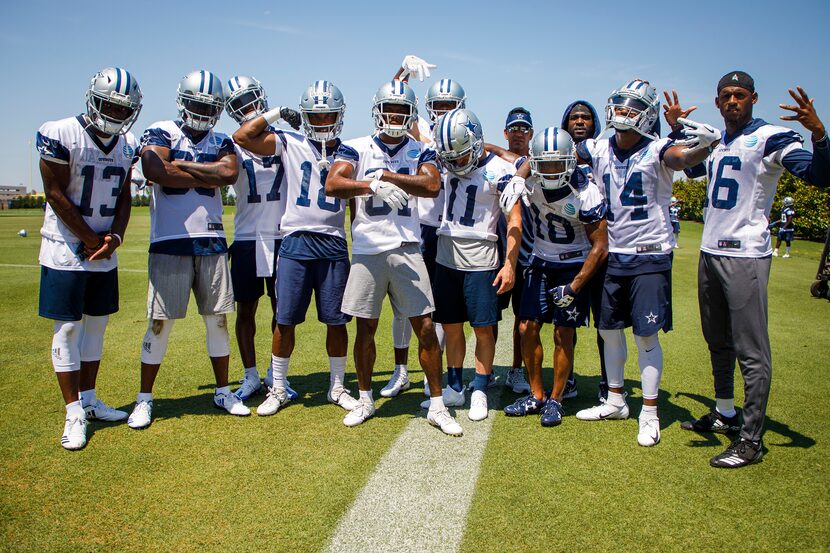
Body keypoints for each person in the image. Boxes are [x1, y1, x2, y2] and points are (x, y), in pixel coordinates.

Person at [504, 78, 713, 446]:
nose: (622, 113)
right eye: (619, 104)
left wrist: (700, 144)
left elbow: (683, 158)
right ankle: (613, 399)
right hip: (609, 255)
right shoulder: (597, 148)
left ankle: (648, 411)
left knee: (643, 336)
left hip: (646, 253)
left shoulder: (658, 148)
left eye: (632, 107)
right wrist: (520, 177)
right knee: (607, 330)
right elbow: (539, 156)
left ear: (647, 115)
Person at [679, 71, 829, 467]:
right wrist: (673, 124)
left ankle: (751, 440)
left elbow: (820, 175)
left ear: (753, 99)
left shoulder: (770, 138)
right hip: (710, 251)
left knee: (751, 349)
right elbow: (690, 169)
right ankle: (726, 412)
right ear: (717, 102)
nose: (732, 101)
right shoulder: (716, 142)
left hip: (745, 255)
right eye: (726, 95)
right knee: (718, 340)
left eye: (740, 95)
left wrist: (819, 136)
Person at [326, 80, 463, 436]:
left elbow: (431, 185)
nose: (395, 116)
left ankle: (436, 404)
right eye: (390, 109)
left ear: (412, 114)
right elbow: (333, 184)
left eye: (402, 110)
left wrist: (387, 176)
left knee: (426, 328)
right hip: (368, 249)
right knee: (365, 329)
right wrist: (369, 185)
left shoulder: (420, 149)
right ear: (378, 110)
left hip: (407, 247)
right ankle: (366, 398)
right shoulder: (354, 147)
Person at [128, 70, 249, 429]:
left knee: (218, 320)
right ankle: (144, 399)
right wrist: (203, 172)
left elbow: (228, 174)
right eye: (197, 103)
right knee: (160, 323)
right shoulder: (162, 129)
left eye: (209, 105)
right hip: (170, 240)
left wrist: (178, 164)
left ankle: (223, 391)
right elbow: (154, 169)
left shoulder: (223, 138)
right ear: (183, 100)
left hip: (211, 241)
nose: (202, 110)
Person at [232, 80, 359, 416]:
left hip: (332, 242)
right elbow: (243, 137)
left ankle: (336, 386)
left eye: (328, 115)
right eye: (314, 117)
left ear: (339, 115)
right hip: (296, 240)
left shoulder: (349, 150)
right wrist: (274, 113)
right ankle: (278, 387)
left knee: (336, 321)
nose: (321, 122)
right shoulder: (290, 141)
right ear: (303, 117)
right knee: (284, 320)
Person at [36, 67, 142, 449]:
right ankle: (73, 411)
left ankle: (90, 399)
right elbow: (54, 193)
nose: (115, 114)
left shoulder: (128, 143)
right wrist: (90, 238)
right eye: (109, 105)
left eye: (122, 108)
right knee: (68, 329)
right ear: (93, 98)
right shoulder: (60, 132)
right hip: (66, 247)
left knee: (96, 327)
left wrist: (114, 237)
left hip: (102, 248)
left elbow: (125, 196)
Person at [503, 128, 608, 427]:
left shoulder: (585, 191)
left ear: (570, 161)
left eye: (557, 163)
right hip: (540, 260)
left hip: (573, 264)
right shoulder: (530, 177)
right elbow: (513, 158)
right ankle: (536, 394)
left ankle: (557, 399)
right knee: (526, 327)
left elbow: (600, 246)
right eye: (543, 163)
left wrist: (575, 286)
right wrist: (518, 177)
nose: (549, 170)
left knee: (563, 333)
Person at [429, 108, 521, 421]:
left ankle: (480, 387)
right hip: (446, 257)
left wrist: (509, 264)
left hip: (481, 258)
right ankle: (454, 385)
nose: (455, 163)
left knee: (483, 329)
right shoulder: (445, 159)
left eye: (460, 155)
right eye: (449, 158)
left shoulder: (498, 169)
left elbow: (514, 219)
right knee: (451, 327)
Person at [224, 75, 301, 402]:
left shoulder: (285, 138)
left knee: (281, 311)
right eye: (240, 104)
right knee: (246, 311)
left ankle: (275, 373)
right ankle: (251, 374)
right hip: (247, 236)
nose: (248, 107)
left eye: (252, 100)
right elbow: (242, 136)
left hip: (283, 236)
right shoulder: (233, 143)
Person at [561, 100, 604, 400]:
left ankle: (608, 380)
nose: (579, 121)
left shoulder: (606, 152)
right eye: (574, 117)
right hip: (570, 249)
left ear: (594, 123)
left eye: (585, 117)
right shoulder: (556, 154)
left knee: (605, 322)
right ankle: (569, 377)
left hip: (601, 248)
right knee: (567, 324)